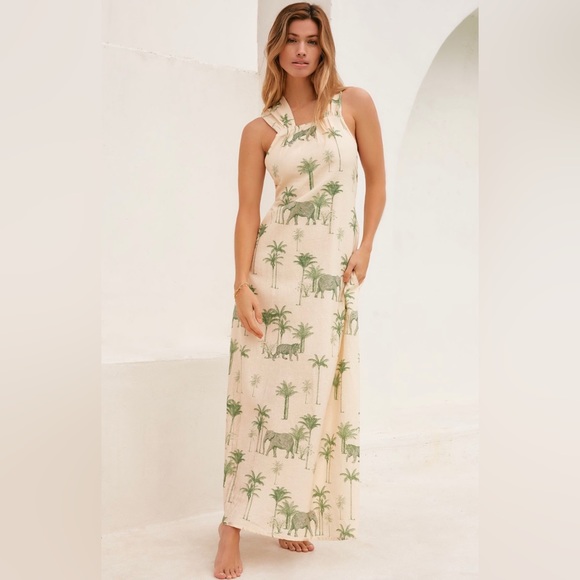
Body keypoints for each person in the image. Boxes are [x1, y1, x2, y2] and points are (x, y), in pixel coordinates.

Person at [213, 3, 386, 578]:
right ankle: (231, 526)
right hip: (273, 280)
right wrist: (241, 285)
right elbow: (247, 213)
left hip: (329, 284)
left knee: (314, 399)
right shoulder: (260, 131)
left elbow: (378, 181)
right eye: (292, 40)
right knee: (256, 399)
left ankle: (290, 513)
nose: (302, 50)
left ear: (324, 47)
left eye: (311, 40)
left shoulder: (353, 106)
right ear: (276, 49)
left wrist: (366, 245)